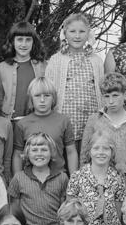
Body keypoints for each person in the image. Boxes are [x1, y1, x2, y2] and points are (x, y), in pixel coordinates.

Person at [44, 12, 104, 156]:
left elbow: (102, 90)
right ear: (65, 34)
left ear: (89, 34)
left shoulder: (96, 60)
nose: (77, 36)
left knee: (87, 156)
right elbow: (49, 90)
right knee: (65, 157)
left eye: (82, 31)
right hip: (65, 119)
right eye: (72, 31)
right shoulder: (56, 60)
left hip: (89, 120)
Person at [80, 72, 126, 195]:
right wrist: (85, 183)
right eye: (107, 96)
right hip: (99, 182)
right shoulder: (95, 120)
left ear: (125, 95)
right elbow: (85, 155)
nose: (111, 101)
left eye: (115, 95)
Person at [11, 77, 78, 176]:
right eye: (37, 96)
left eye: (47, 95)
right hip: (30, 180)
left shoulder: (63, 121)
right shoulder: (22, 124)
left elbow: (71, 152)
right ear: (31, 99)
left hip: (58, 178)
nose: (42, 100)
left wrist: (74, 179)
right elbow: (17, 155)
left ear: (53, 98)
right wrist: (17, 179)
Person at [0, 20, 47, 120]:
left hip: (35, 120)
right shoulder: (1, 67)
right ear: (12, 42)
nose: (24, 44)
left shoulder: (43, 66)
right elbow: (0, 97)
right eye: (19, 39)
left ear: (33, 42)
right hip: (9, 120)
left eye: (28, 40)